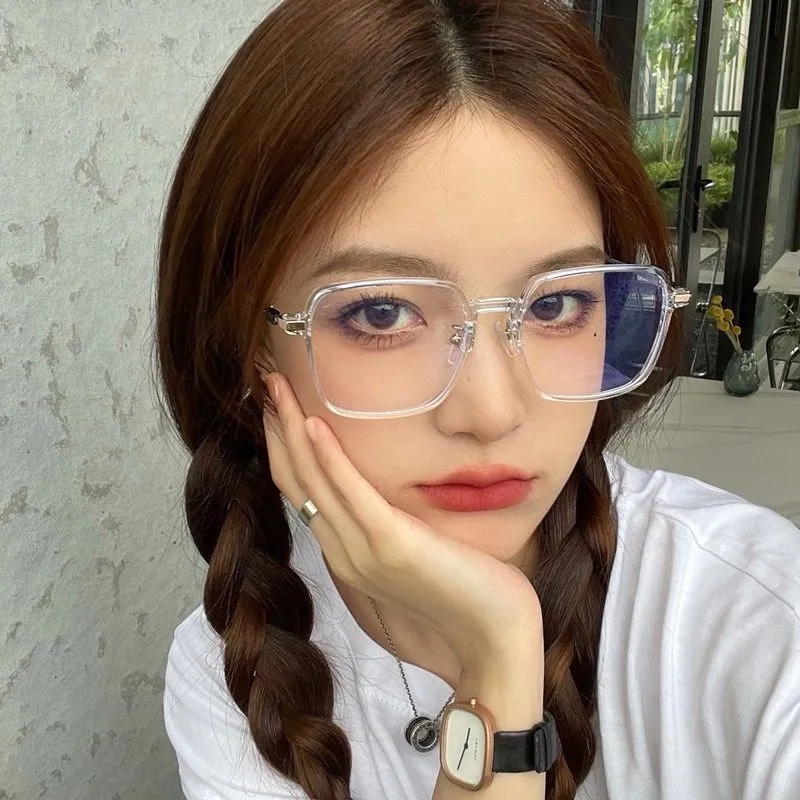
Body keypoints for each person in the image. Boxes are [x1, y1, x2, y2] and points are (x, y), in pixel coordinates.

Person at [155, 1, 800, 798]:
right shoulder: (241, 664)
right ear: (249, 345)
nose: (492, 412)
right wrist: (498, 660)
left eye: (557, 303)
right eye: (382, 313)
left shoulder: (760, 621)